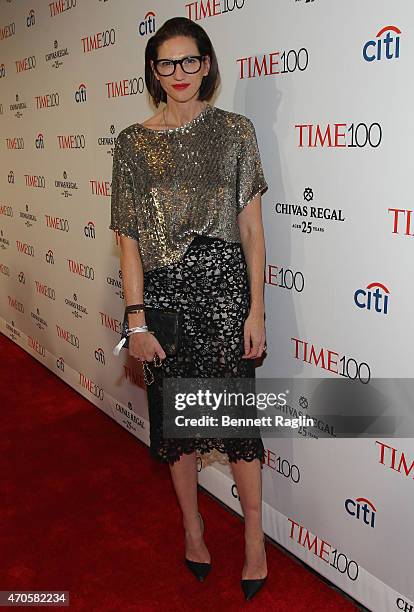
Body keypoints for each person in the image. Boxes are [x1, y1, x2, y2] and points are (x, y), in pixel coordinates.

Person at [110, 16, 269, 601]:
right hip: (167, 300)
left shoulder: (236, 132)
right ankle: (193, 527)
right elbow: (128, 239)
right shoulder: (131, 143)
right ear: (154, 71)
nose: (180, 73)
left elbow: (251, 230)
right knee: (177, 431)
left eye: (190, 60)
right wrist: (137, 320)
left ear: (207, 64)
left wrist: (256, 309)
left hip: (227, 294)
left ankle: (255, 537)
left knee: (237, 427)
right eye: (166, 63)